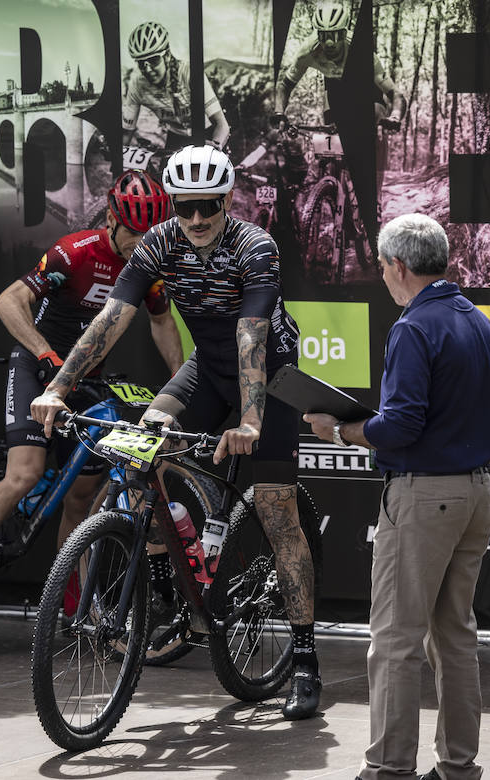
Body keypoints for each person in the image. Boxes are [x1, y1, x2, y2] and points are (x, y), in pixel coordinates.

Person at [30, 143, 324, 721]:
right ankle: (175, 576)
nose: (195, 220)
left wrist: (251, 419)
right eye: (184, 207)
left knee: (277, 511)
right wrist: (59, 387)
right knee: (143, 451)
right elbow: (110, 320)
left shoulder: (253, 247)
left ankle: (307, 659)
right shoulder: (161, 243)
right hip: (205, 372)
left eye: (206, 208)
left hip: (266, 374)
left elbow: (251, 335)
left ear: (226, 200)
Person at [303, 213, 490, 780]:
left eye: (382, 268)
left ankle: (389, 769)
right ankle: (460, 767)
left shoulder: (413, 327)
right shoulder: (479, 321)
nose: (383, 278)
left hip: (423, 496)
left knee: (395, 640)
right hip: (475, 491)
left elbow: (399, 427)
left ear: (397, 266)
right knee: (455, 637)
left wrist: (340, 431)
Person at [0, 171, 183, 615]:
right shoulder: (75, 252)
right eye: (133, 231)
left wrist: (178, 383)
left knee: (82, 497)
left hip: (86, 380)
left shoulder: (149, 264)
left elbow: (162, 320)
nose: (140, 241)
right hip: (40, 368)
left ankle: (71, 606)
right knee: (25, 475)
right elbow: (7, 301)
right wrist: (45, 353)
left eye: (150, 232)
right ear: (112, 218)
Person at [272, 0, 407, 268]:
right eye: (324, 35)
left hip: (367, 94)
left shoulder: (363, 54)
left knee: (374, 121)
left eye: (335, 35)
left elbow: (395, 93)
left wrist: (394, 116)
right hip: (335, 92)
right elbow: (283, 86)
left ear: (344, 33)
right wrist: (279, 112)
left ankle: (373, 198)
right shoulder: (308, 51)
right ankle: (330, 190)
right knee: (328, 137)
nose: (330, 42)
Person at [123, 20, 230, 152]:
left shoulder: (189, 72)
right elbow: (127, 133)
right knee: (164, 172)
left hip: (207, 134)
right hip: (176, 138)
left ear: (167, 55)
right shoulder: (137, 85)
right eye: (141, 63)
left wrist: (216, 146)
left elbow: (222, 124)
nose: (148, 69)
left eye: (153, 60)